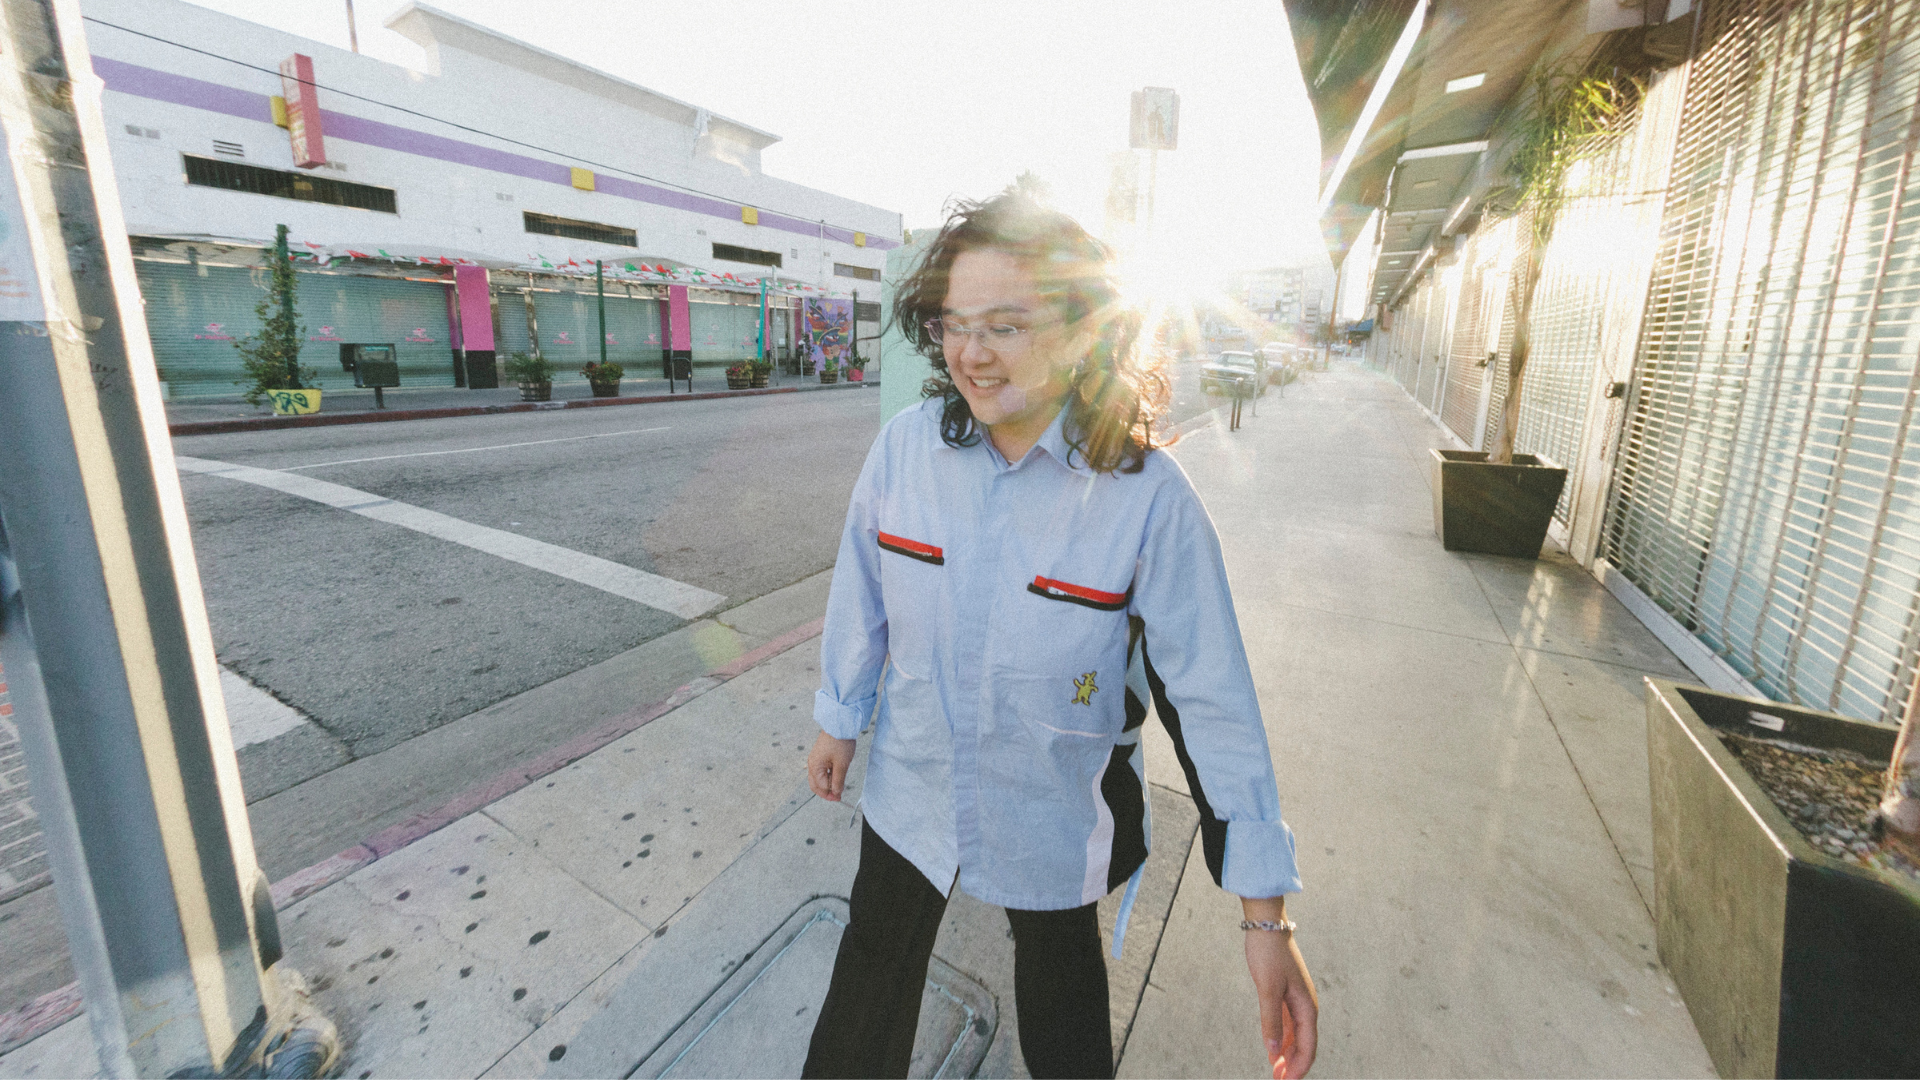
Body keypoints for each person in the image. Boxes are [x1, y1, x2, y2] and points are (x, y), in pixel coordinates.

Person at [802, 191, 1317, 1080]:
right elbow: (863, 589)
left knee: (1065, 1014)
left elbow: (1212, 697)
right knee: (866, 991)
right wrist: (839, 713)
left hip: (1056, 816)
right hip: (911, 793)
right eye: (954, 323)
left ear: (1083, 333)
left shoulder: (1148, 500)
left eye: (1004, 325)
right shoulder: (904, 452)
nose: (970, 351)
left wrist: (1264, 914)